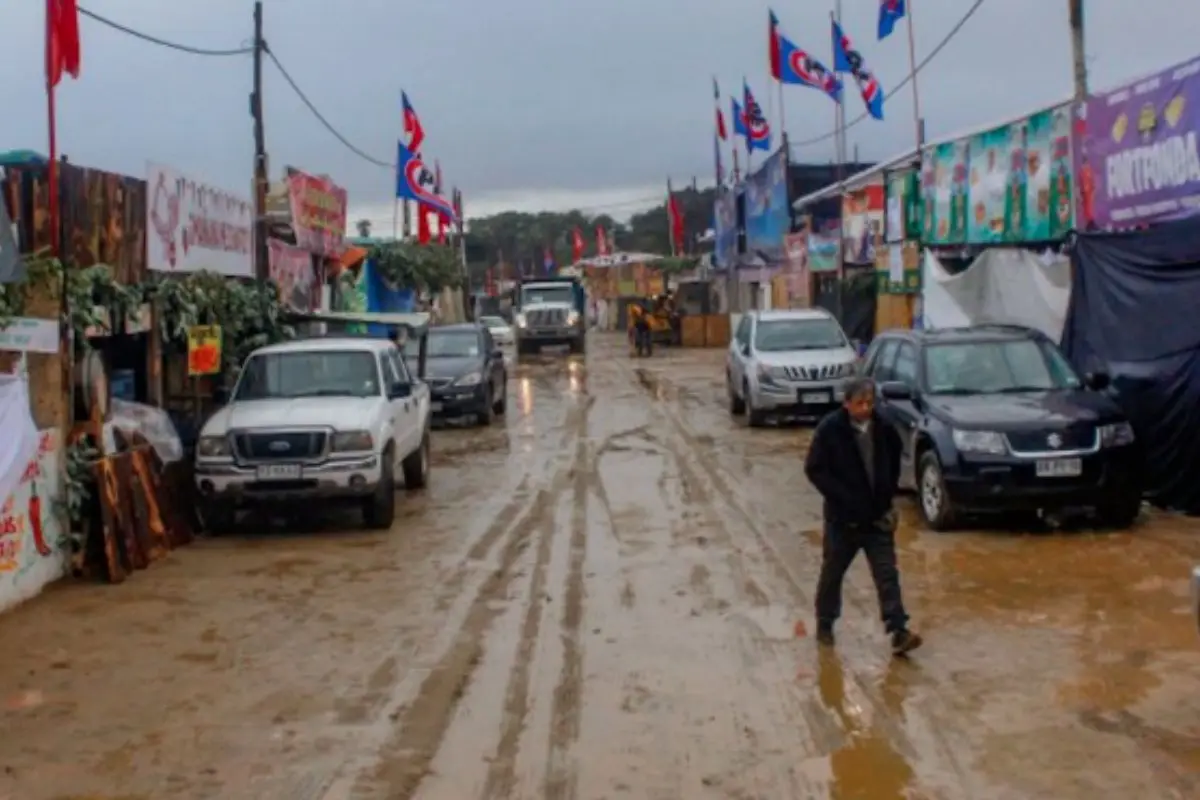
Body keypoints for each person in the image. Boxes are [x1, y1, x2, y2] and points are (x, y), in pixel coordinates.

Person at [803, 376, 922, 656]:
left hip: (877, 518)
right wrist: (841, 498)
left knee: (887, 575)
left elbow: (895, 462)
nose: (865, 408)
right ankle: (825, 624)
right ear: (847, 404)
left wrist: (886, 496)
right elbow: (814, 469)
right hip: (843, 521)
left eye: (869, 402)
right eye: (860, 403)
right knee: (833, 573)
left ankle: (898, 630)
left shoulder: (884, 428)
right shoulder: (830, 430)